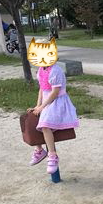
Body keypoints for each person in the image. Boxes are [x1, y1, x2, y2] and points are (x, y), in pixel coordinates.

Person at [27, 38, 79, 175]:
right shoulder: (41, 70)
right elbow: (41, 89)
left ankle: (52, 155)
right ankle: (39, 150)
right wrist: (37, 106)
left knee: (45, 125)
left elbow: (55, 92)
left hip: (57, 102)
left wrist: (42, 107)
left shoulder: (55, 71)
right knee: (31, 120)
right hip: (46, 101)